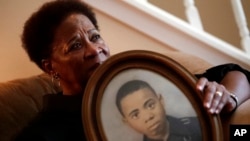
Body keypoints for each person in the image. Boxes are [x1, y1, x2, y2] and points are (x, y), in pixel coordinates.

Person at [14, 0, 250, 140]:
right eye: (75, 45)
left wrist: (226, 97)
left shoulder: (145, 79)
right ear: (50, 66)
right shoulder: (43, 133)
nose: (94, 50)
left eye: (95, 37)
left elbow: (234, 72)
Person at [115, 80, 201, 141]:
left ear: (161, 101)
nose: (148, 117)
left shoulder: (198, 125)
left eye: (150, 105)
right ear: (127, 122)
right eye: (135, 115)